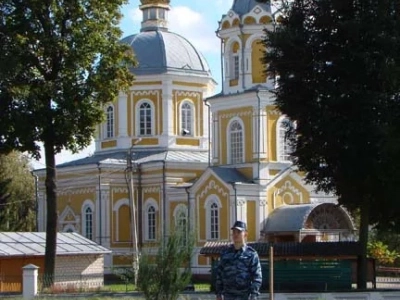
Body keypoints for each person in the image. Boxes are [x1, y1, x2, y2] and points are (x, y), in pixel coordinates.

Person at [216, 221, 262, 300]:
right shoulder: (225, 253)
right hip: (228, 296)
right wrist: (218, 293)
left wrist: (254, 295)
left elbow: (257, 277)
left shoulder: (251, 254)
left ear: (245, 234)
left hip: (245, 296)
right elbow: (219, 274)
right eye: (234, 232)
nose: (235, 234)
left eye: (239, 232)